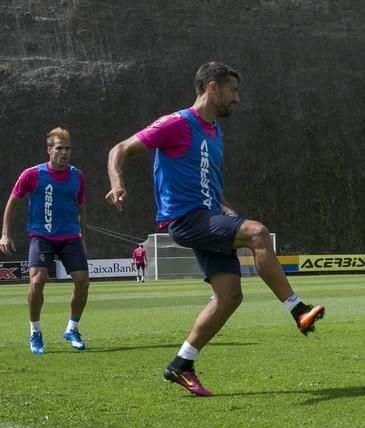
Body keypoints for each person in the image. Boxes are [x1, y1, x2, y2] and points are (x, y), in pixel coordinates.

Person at [105, 61, 325, 396]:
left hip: (207, 217)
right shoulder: (176, 123)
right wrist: (117, 183)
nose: (237, 99)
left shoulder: (214, 131)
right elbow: (119, 149)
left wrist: (228, 213)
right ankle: (298, 310)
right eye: (233, 90)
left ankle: (182, 363)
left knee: (230, 295)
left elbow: (208, 187)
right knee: (258, 233)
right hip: (185, 219)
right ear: (212, 87)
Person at [0, 127, 89, 354]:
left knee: (82, 281)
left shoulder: (77, 176)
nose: (64, 152)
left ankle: (72, 328)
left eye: (68, 148)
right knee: (38, 281)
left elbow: (81, 209)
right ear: (49, 149)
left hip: (70, 236)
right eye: (59, 148)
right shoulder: (32, 174)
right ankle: (35, 332)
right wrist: (5, 233)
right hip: (42, 236)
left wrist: (83, 238)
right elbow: (12, 203)